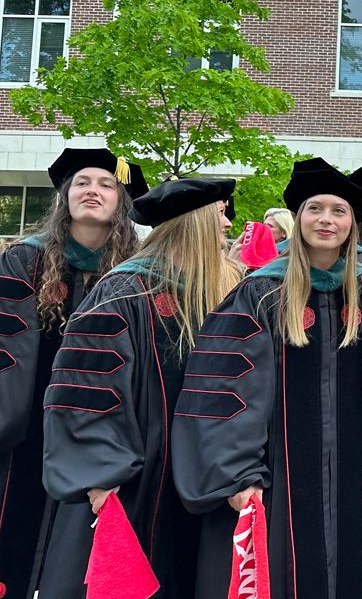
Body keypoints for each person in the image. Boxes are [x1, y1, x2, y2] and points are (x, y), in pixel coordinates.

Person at [171, 161, 362, 598]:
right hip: (276, 475)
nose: (326, 220)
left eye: (338, 211)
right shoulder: (261, 290)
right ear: (298, 218)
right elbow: (223, 388)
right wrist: (239, 473)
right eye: (315, 209)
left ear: (354, 223)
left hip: (349, 472)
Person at [40, 177, 240, 599]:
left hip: (195, 481)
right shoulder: (123, 290)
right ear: (195, 225)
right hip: (130, 484)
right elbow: (84, 390)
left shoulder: (217, 291)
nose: (227, 225)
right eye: (220, 214)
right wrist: (96, 473)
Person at [0, 149, 145, 599]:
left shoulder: (134, 270)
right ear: (65, 195)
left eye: (105, 184)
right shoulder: (27, 259)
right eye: (82, 182)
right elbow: (8, 349)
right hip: (24, 428)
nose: (93, 191)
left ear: (121, 200)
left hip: (95, 430)